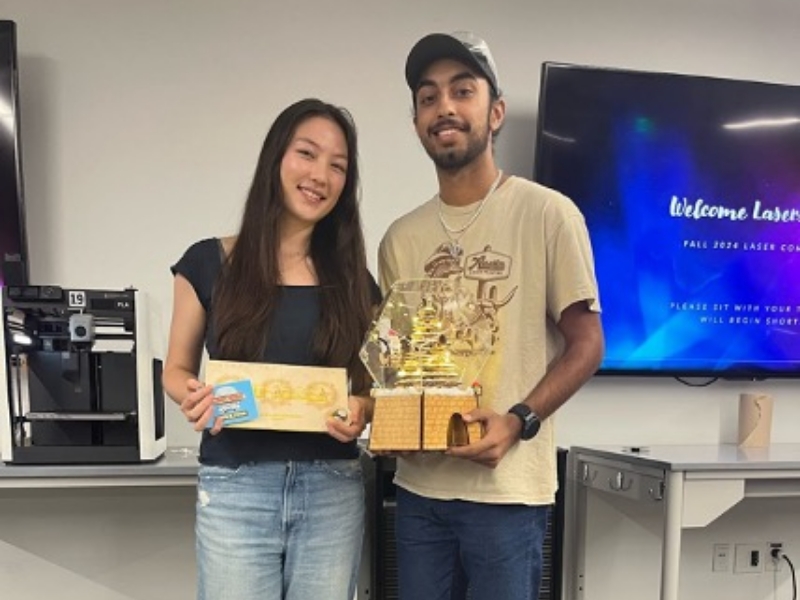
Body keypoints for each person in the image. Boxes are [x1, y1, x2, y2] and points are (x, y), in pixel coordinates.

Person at [378, 32, 605, 600]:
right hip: (419, 492)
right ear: (416, 122)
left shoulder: (549, 214)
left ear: (495, 112)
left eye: (462, 90)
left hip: (508, 493)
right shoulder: (399, 239)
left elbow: (587, 344)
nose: (444, 107)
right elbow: (401, 362)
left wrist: (519, 419)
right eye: (427, 97)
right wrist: (392, 424)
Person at [163, 98, 379, 600]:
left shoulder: (355, 282)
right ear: (275, 158)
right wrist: (191, 394)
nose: (320, 175)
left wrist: (362, 409)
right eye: (307, 153)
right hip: (236, 486)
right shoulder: (207, 262)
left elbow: (370, 388)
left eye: (338, 166)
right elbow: (175, 368)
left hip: (332, 487)